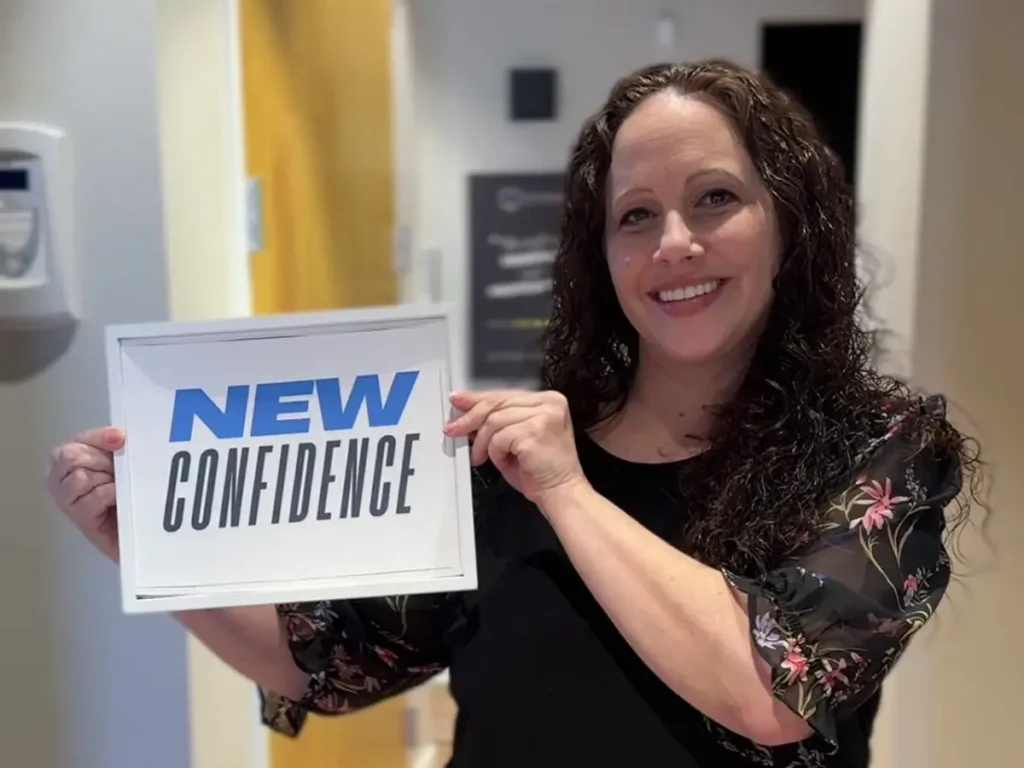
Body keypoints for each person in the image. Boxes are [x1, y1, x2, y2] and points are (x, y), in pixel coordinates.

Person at [45, 59, 982, 767]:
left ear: (789, 223)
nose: (677, 244)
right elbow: (329, 664)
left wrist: (569, 493)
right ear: (599, 252)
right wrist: (153, 547)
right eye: (636, 215)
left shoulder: (883, 449)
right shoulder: (504, 465)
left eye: (717, 199)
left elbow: (775, 687)